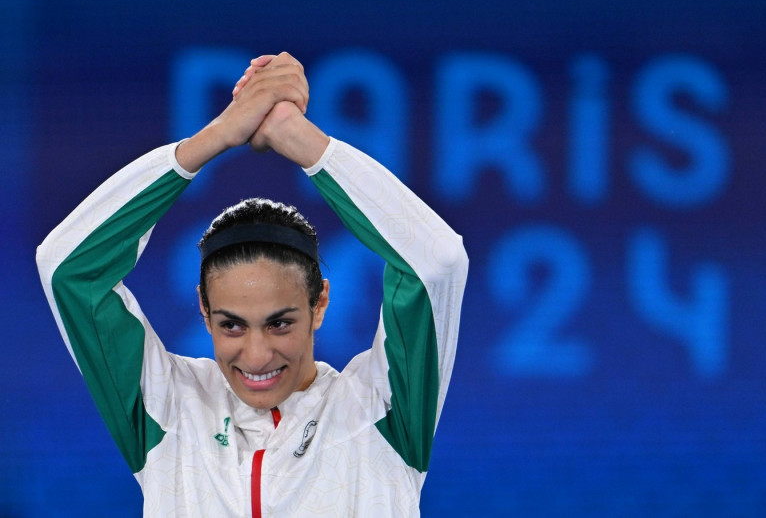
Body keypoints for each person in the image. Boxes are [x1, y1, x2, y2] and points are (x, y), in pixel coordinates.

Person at [36, 52, 468, 517]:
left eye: (280, 323)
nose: (257, 356)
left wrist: (302, 141)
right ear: (203, 310)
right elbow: (67, 267)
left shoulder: (380, 409)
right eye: (232, 326)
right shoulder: (169, 406)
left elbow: (435, 262)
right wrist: (215, 138)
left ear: (319, 303)